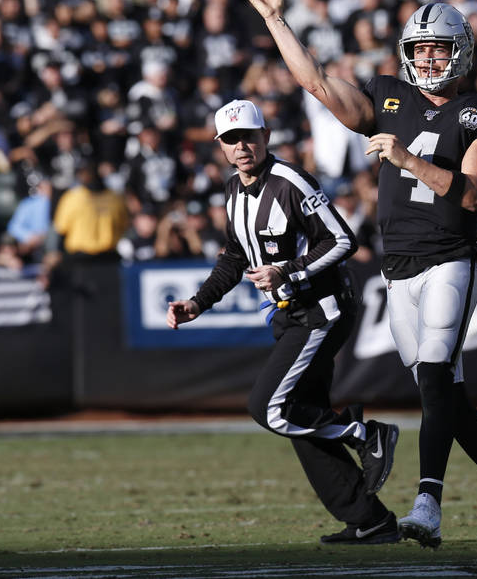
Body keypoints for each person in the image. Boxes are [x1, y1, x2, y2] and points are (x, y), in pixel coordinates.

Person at [240, 0, 477, 559]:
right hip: (399, 266)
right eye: (421, 49)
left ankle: (427, 505)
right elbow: (315, 83)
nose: (428, 59)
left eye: (439, 49)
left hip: (451, 258)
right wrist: (276, 19)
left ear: (460, 52)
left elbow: (472, 194)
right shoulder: (388, 96)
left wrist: (407, 158)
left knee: (435, 377)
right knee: (446, 399)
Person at [166, 99, 401, 545]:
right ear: (220, 146)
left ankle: (364, 433)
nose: (241, 147)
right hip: (289, 315)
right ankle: (369, 519)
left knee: (268, 407)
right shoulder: (233, 191)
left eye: (248, 137)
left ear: (266, 136)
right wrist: (199, 303)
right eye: (231, 140)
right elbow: (235, 257)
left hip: (322, 310)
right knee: (297, 416)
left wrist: (288, 271)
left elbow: (342, 240)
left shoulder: (290, 181)